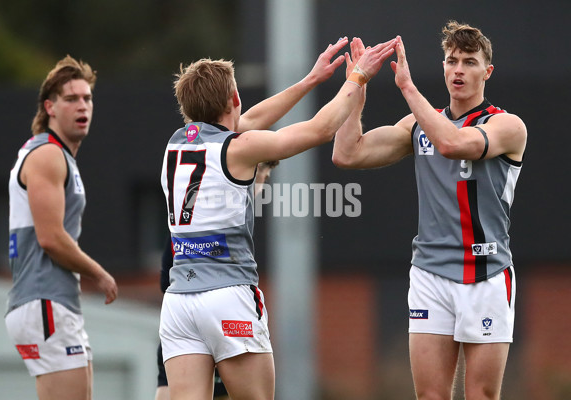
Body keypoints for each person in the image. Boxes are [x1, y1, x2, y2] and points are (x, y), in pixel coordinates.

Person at [159, 36, 397, 400]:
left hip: (178, 302)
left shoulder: (178, 142)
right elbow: (320, 129)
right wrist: (357, 78)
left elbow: (249, 120)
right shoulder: (238, 148)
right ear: (233, 100)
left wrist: (309, 81)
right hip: (226, 295)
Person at [332, 22, 527, 400]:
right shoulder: (418, 125)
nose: (458, 70)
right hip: (430, 273)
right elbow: (346, 153)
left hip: (485, 274)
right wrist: (358, 86)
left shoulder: (506, 125)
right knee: (430, 395)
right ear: (442, 67)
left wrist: (406, 87)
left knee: (481, 395)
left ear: (487, 72)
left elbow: (454, 143)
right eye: (451, 60)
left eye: (469, 62)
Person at [5, 55, 118, 400]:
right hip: (43, 299)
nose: (82, 106)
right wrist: (99, 273)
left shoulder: (59, 156)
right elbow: (50, 238)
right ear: (49, 107)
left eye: (87, 98)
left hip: (54, 300)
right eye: (71, 99)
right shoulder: (47, 155)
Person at [154, 161, 278, 400]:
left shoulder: (196, 206)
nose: (261, 186)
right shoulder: (215, 212)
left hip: (180, 316)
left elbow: (165, 278)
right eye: (260, 176)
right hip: (215, 314)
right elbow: (166, 274)